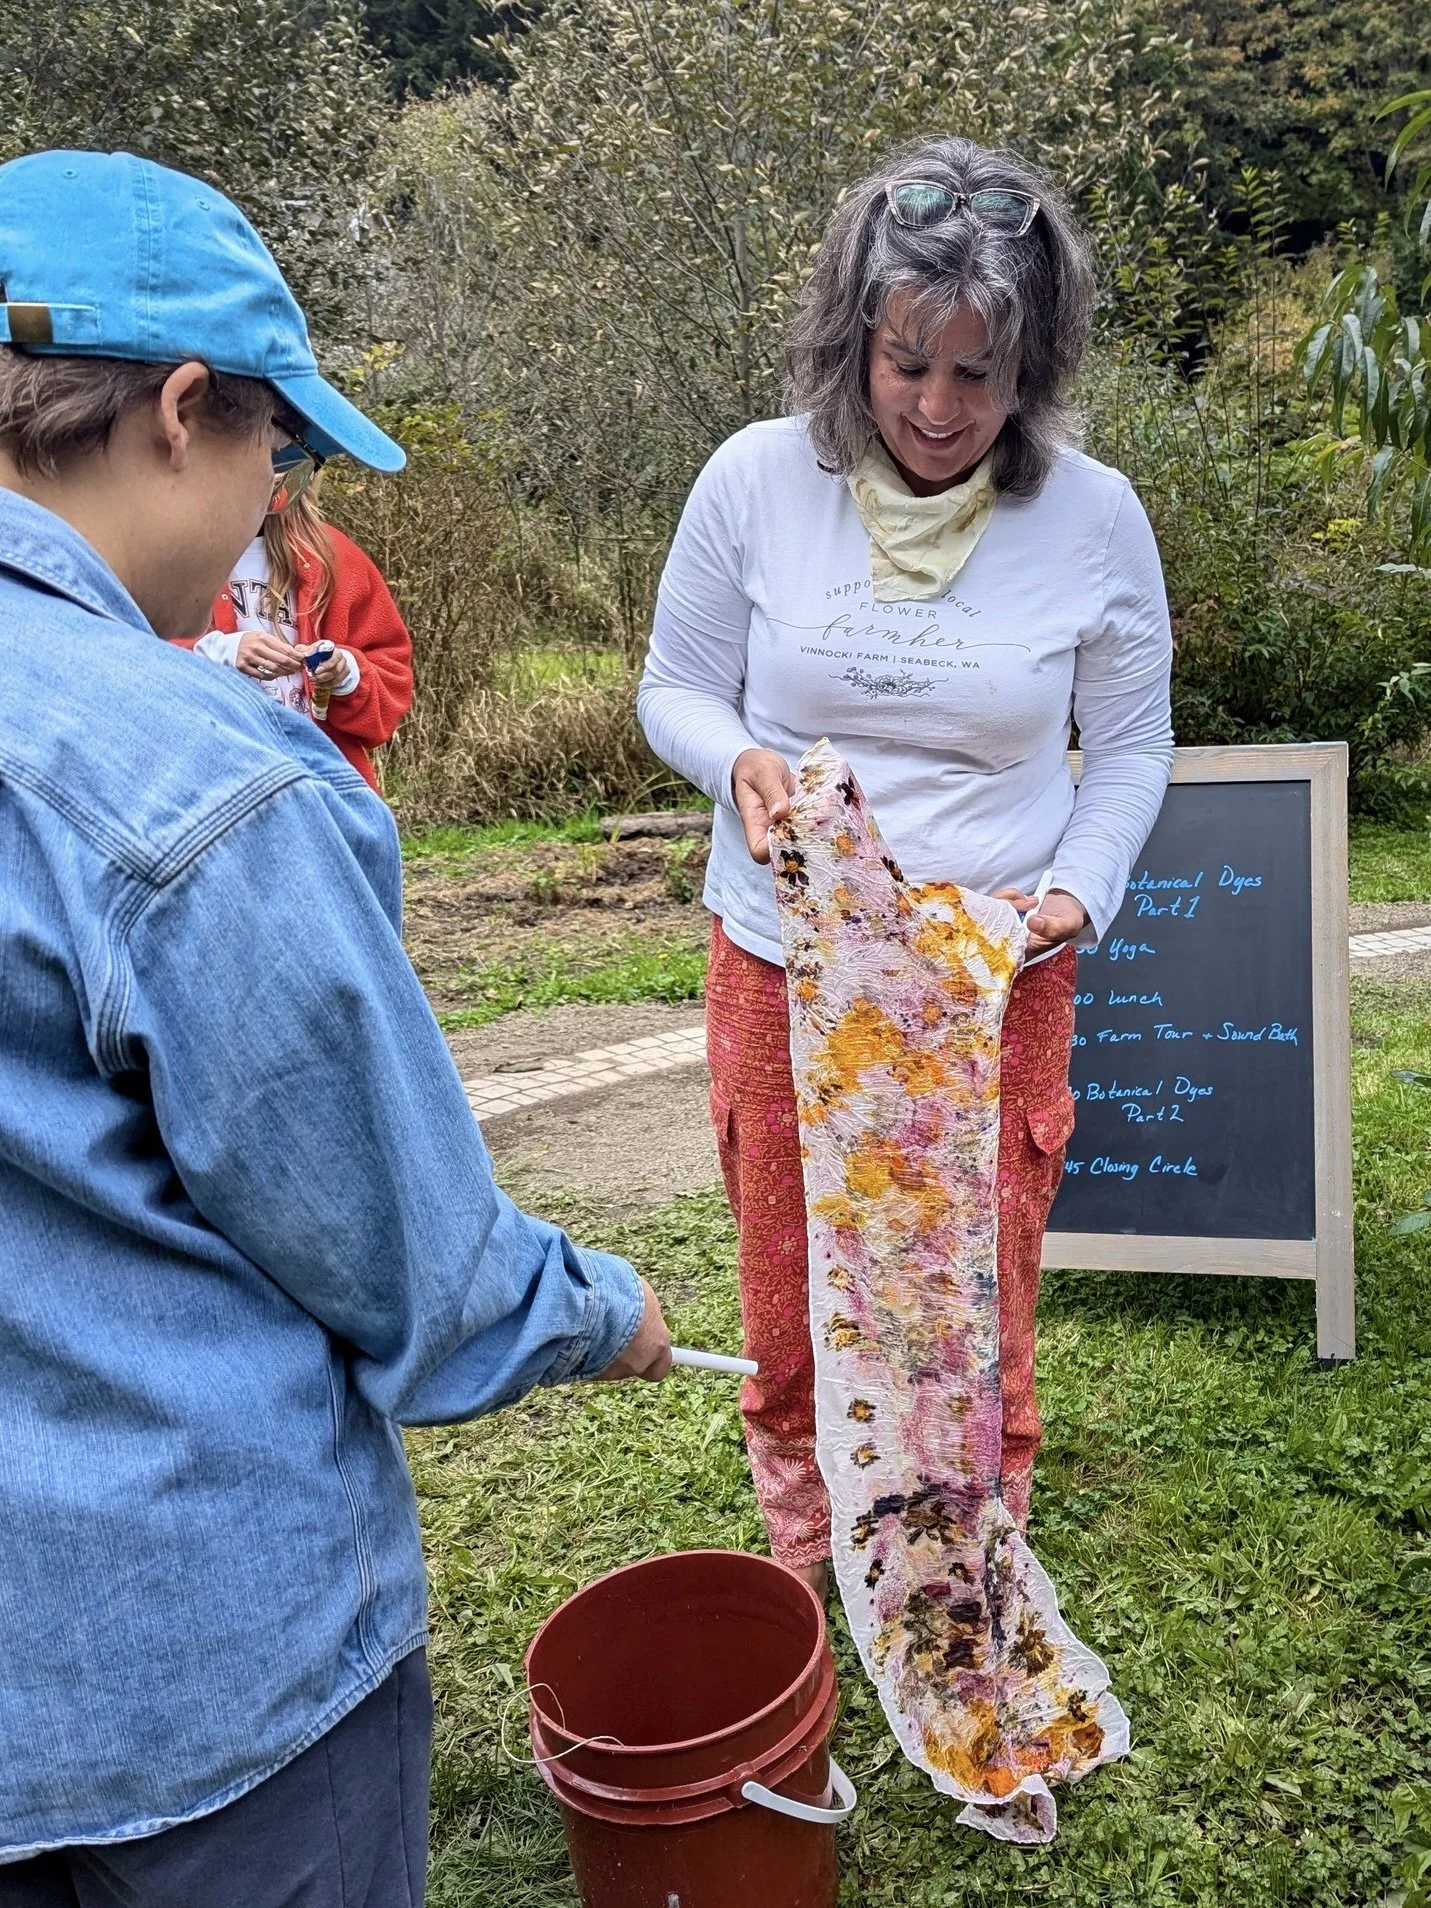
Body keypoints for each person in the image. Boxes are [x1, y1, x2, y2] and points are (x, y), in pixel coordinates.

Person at [0, 149, 670, 1905]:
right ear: (179, 409)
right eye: (273, 457)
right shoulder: (193, 782)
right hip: (198, 1684)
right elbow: (411, 1261)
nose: (261, 510)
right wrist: (596, 1310)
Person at [638, 136, 1174, 1597]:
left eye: (977, 375)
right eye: (906, 366)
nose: (938, 409)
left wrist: (1075, 894)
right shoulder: (755, 480)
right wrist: (731, 760)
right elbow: (674, 688)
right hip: (783, 962)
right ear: (850, 347)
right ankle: (809, 1573)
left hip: (993, 972)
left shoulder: (1092, 518)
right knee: (794, 1282)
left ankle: (964, 1575)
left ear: (1031, 368)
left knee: (969, 1285)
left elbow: (1127, 751)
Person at [177, 488, 414, 790]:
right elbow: (130, 653)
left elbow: (390, 679)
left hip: (323, 790)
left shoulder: (333, 555)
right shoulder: (174, 551)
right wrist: (221, 651)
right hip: (220, 790)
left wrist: (345, 673)